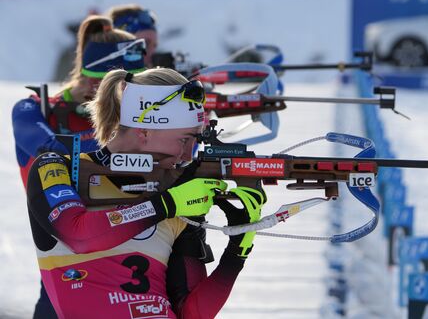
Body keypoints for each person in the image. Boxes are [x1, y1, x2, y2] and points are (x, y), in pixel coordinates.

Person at [25, 67, 264, 318]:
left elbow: (192, 313)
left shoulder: (175, 190)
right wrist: (166, 205)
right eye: (184, 140)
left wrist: (238, 250)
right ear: (145, 131)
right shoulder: (57, 167)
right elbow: (80, 236)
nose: (186, 155)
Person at [12, 15, 146, 318]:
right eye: (130, 87)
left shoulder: (140, 121)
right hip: (66, 268)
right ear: (98, 80)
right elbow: (54, 151)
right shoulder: (33, 110)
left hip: (140, 263)